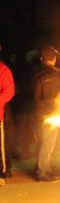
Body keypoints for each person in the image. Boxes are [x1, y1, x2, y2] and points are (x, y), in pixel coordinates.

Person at [34, 46, 60, 182]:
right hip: (51, 113)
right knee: (48, 143)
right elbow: (54, 96)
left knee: (44, 142)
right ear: (54, 59)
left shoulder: (37, 73)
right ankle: (42, 172)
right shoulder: (53, 74)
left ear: (42, 59)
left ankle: (43, 168)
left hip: (40, 112)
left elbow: (36, 96)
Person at [0, 47, 15, 186]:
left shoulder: (3, 70)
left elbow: (9, 91)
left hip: (0, 115)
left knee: (1, 145)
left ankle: (1, 173)